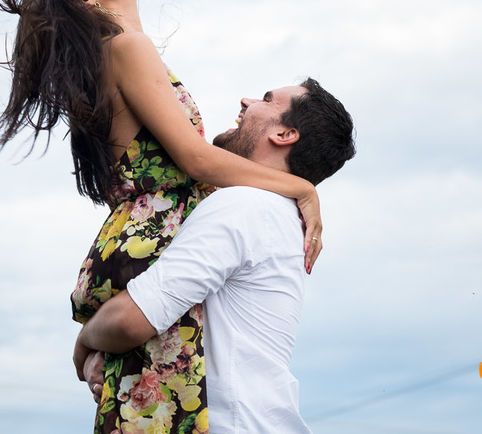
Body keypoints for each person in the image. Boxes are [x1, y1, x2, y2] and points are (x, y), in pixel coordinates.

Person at [0, 0, 329, 434]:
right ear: (85, 1)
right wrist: (302, 187)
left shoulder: (121, 50)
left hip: (135, 231)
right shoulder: (128, 49)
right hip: (153, 232)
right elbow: (196, 159)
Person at [73, 79, 356, 434]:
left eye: (267, 100)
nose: (246, 100)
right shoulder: (276, 212)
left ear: (285, 134)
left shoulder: (245, 206)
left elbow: (133, 319)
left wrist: (85, 341)